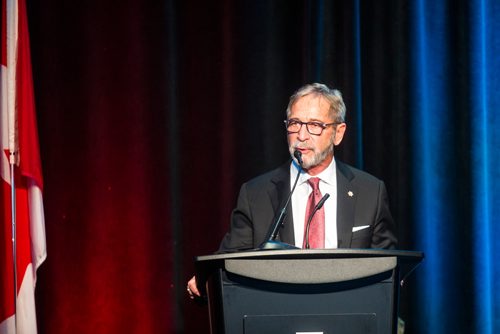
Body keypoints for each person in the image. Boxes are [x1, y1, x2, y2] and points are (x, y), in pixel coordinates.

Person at [187, 83, 397, 298]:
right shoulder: (255, 194)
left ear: (338, 133)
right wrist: (206, 281)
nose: (302, 136)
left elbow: (388, 270)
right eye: (295, 123)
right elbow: (229, 263)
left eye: (314, 125)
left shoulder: (370, 191)